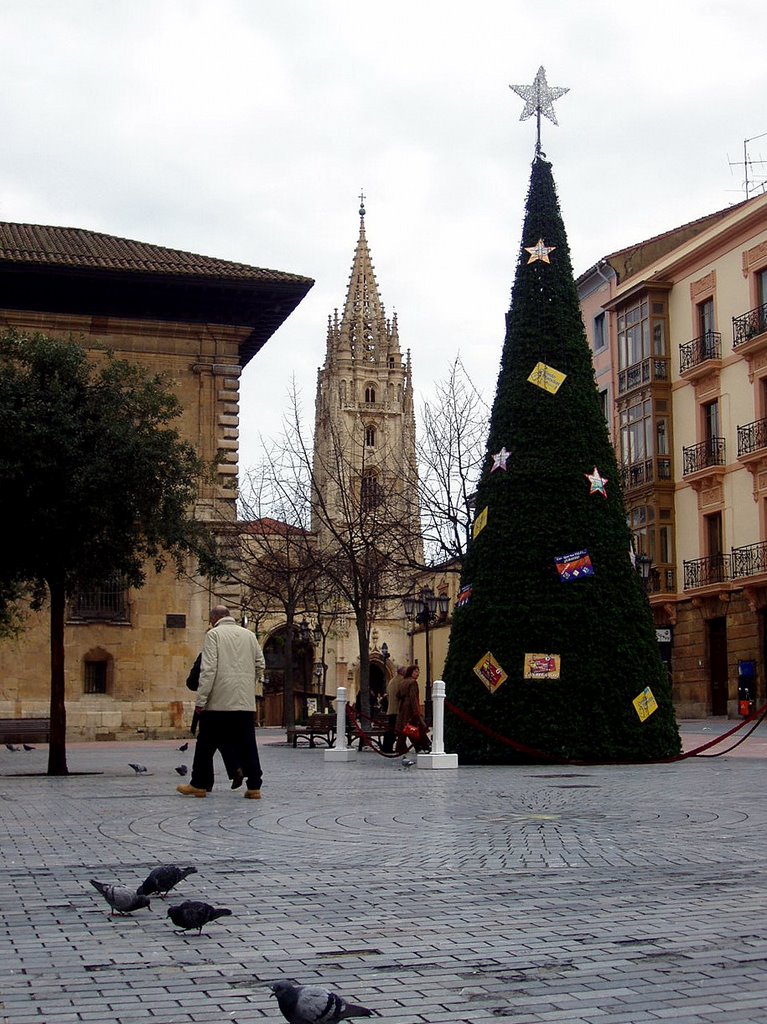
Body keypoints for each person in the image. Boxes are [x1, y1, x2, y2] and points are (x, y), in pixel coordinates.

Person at [177, 605, 265, 799]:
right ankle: (254, 787)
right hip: (244, 702)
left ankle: (198, 784)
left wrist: (201, 700)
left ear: (213, 619)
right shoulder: (249, 636)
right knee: (248, 743)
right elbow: (260, 664)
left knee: (205, 744)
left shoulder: (214, 635)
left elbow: (208, 670)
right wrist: (249, 686)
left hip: (219, 702)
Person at [395, 665, 430, 755]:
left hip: (403, 707)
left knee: (405, 728)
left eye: (418, 672)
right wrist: (416, 712)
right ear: (411, 672)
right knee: (415, 728)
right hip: (409, 708)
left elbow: (398, 695)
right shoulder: (412, 682)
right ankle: (424, 746)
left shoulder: (403, 682)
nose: (418, 674)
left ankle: (401, 747)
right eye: (416, 671)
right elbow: (413, 698)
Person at [381, 665, 405, 753]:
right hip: (397, 709)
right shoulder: (401, 681)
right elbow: (402, 695)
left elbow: (387, 693)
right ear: (402, 672)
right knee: (395, 730)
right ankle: (389, 747)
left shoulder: (392, 681)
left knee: (391, 729)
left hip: (391, 709)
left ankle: (387, 746)